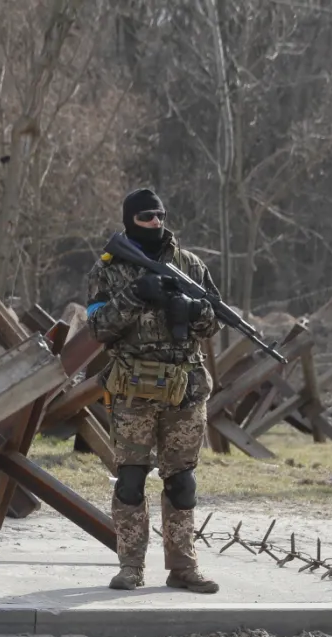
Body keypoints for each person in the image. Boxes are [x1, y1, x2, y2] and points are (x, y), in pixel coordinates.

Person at [85, 188, 223, 593]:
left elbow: (214, 320)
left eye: (160, 216)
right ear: (130, 220)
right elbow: (97, 327)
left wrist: (194, 312)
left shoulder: (189, 265)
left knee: (182, 480)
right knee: (130, 478)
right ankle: (131, 566)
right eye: (147, 217)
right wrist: (134, 295)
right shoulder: (108, 269)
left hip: (184, 389)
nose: (156, 223)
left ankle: (183, 566)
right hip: (133, 390)